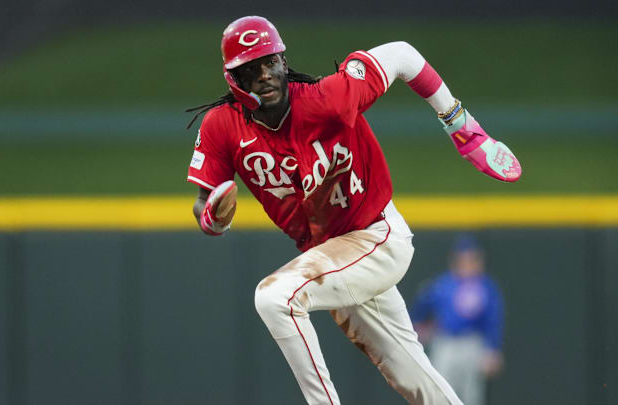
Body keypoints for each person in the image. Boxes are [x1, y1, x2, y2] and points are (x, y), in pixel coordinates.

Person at [185, 16, 521, 405]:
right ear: (233, 79)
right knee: (416, 378)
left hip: (376, 235)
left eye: (270, 61)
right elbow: (203, 204)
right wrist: (213, 219)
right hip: (332, 257)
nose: (264, 74)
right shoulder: (221, 126)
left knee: (275, 298)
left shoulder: (330, 98)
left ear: (283, 60)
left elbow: (402, 55)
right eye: (250, 68)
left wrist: (461, 126)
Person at [410, 235, 505, 405]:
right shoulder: (444, 283)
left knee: (471, 395)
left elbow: (492, 320)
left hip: (472, 343)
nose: (468, 263)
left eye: (472, 259)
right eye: (464, 259)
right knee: (439, 391)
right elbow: (422, 305)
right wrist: (420, 325)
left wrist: (492, 349)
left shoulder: (485, 286)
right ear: (455, 260)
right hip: (445, 342)